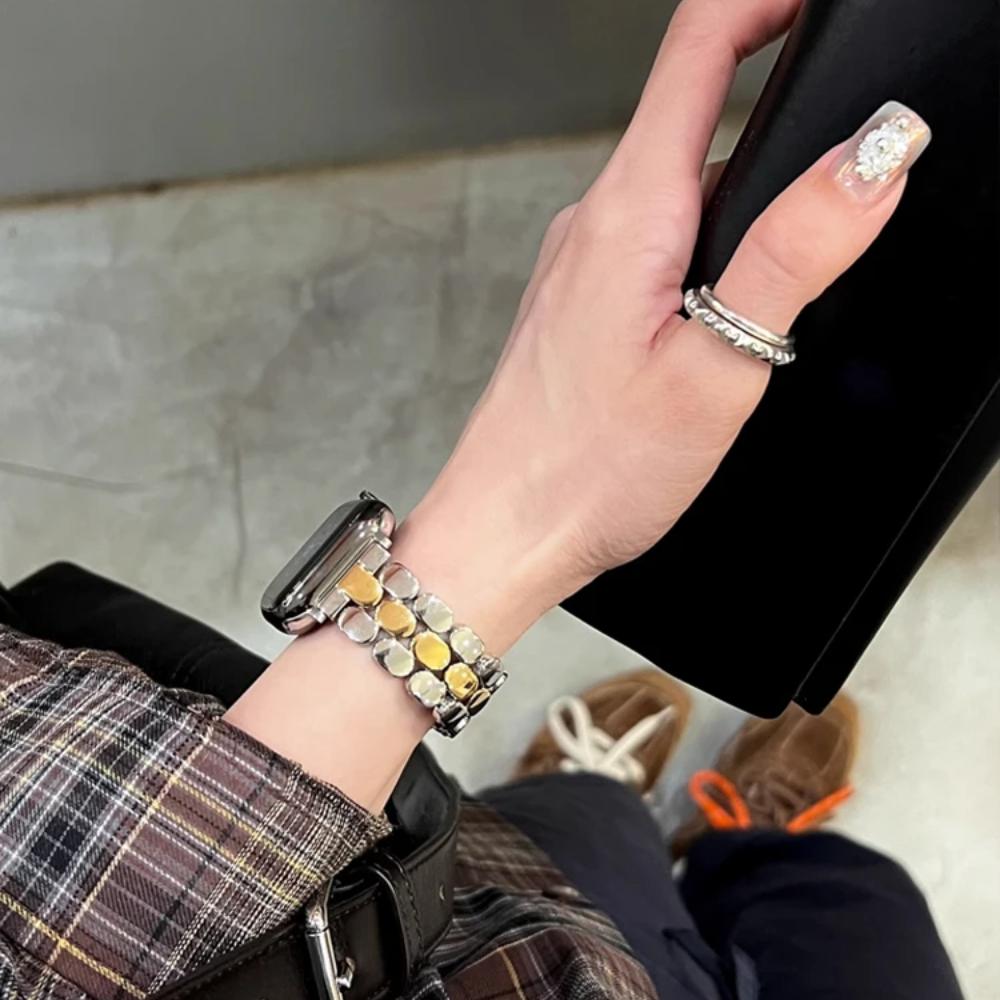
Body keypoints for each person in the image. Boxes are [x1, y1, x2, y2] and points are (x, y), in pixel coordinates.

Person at [0, 0, 964, 997]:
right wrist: (513, 521)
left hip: (455, 913)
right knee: (859, 909)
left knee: (577, 831)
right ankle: (753, 837)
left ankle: (605, 804)